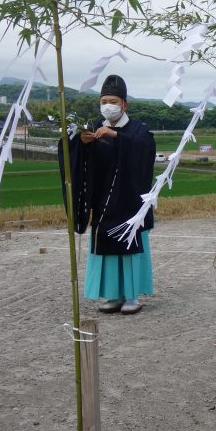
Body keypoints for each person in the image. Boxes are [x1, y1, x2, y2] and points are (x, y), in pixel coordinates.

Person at [59, 74, 156, 315]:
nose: (108, 106)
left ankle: (132, 296)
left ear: (125, 104)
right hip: (103, 201)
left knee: (130, 247)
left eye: (113, 100)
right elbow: (70, 153)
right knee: (106, 248)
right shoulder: (92, 127)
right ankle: (112, 295)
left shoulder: (139, 130)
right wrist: (80, 143)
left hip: (131, 201)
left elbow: (145, 150)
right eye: (104, 101)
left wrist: (116, 136)